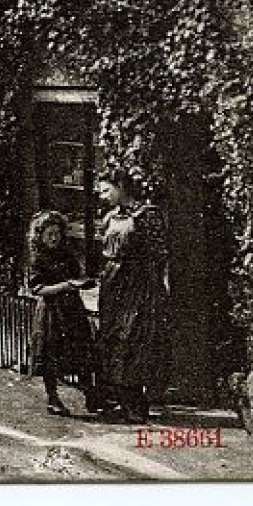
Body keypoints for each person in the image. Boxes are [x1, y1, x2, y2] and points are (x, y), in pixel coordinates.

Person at [94, 169, 169, 424]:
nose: (102, 196)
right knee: (113, 338)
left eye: (106, 190)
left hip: (138, 285)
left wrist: (153, 288)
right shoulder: (109, 218)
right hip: (113, 283)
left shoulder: (148, 216)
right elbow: (103, 251)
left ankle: (136, 402)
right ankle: (119, 399)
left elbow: (159, 255)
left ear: (122, 187)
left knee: (135, 339)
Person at [25, 209, 96, 417]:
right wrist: (65, 286)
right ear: (40, 236)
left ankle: (91, 395)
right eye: (49, 234)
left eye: (57, 233)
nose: (54, 238)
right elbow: (38, 289)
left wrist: (82, 282)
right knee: (50, 354)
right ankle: (53, 398)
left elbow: (78, 276)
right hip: (51, 312)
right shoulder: (38, 259)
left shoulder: (67, 255)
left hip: (72, 310)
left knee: (82, 350)